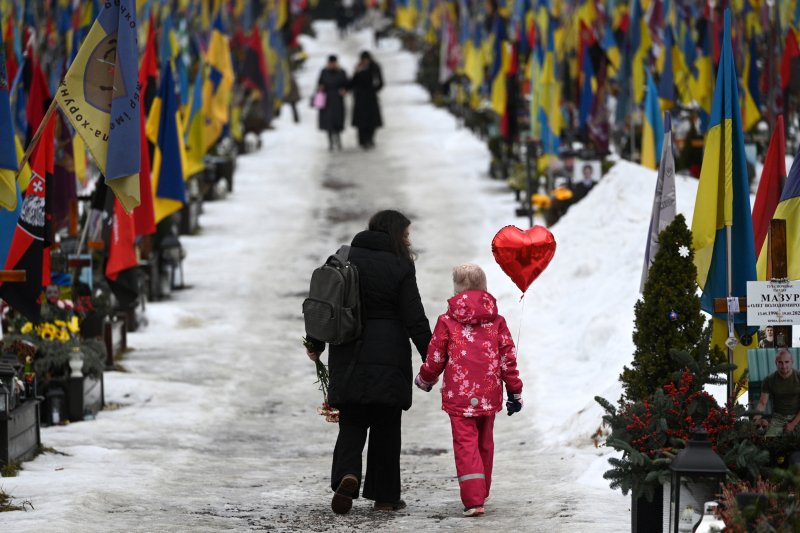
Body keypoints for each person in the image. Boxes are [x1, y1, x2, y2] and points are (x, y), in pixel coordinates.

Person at [304, 210, 432, 514]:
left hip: (349, 351)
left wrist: (315, 342)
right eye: (406, 234)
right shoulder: (400, 264)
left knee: (352, 422)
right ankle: (385, 497)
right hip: (390, 354)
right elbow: (414, 316)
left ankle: (347, 475)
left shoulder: (345, 258)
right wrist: (433, 358)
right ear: (394, 233)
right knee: (386, 426)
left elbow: (326, 303)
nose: (408, 240)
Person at [414, 264, 523, 517]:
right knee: (485, 442)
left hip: (459, 396)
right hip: (489, 394)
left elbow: (436, 357)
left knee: (466, 444)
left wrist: (425, 379)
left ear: (456, 290)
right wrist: (514, 390)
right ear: (484, 288)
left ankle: (474, 499)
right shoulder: (497, 322)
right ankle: (481, 490)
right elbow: (508, 360)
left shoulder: (446, 322)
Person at [753, 348, 800, 437]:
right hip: (778, 417)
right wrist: (755, 420)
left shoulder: (798, 376)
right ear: (776, 363)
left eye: (787, 362)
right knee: (769, 440)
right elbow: (762, 403)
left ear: (792, 362)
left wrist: (793, 424)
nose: (784, 366)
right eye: (780, 362)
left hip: (797, 417)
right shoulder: (769, 380)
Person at [348, 51, 383, 149]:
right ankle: (362, 140)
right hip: (359, 98)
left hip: (371, 97)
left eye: (366, 60)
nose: (365, 62)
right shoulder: (358, 68)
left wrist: (374, 90)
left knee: (372, 120)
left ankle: (370, 139)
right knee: (360, 121)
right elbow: (353, 82)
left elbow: (380, 82)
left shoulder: (375, 67)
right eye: (363, 60)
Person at [316, 55, 348, 151]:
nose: (332, 65)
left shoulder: (341, 72)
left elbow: (347, 84)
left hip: (338, 100)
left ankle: (338, 139)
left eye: (334, 63)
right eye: (331, 63)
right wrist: (320, 88)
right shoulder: (324, 72)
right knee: (328, 121)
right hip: (327, 100)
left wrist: (344, 90)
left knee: (338, 121)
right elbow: (319, 84)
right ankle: (330, 142)